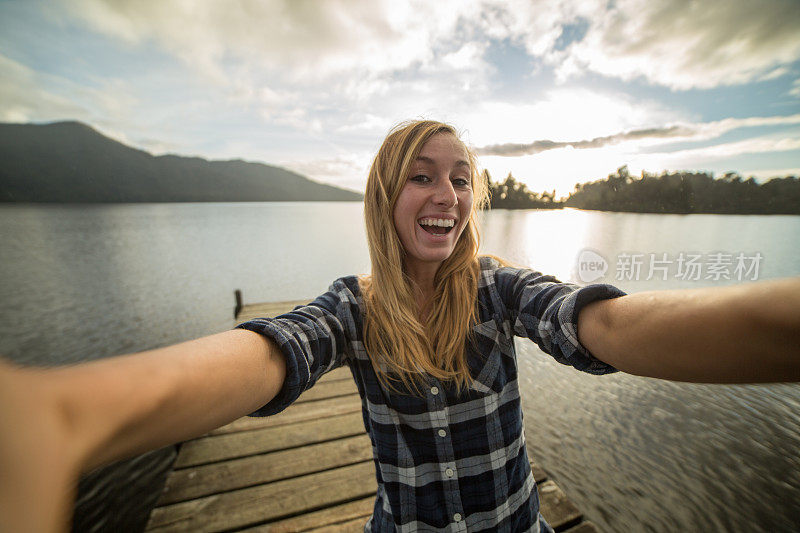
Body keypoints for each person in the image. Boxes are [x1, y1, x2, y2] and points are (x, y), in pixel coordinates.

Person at [1, 119, 799, 532]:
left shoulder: (499, 289)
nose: (445, 192)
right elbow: (270, 355)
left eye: (459, 178)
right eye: (421, 176)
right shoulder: (353, 305)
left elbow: (605, 326)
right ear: (386, 196)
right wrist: (72, 413)